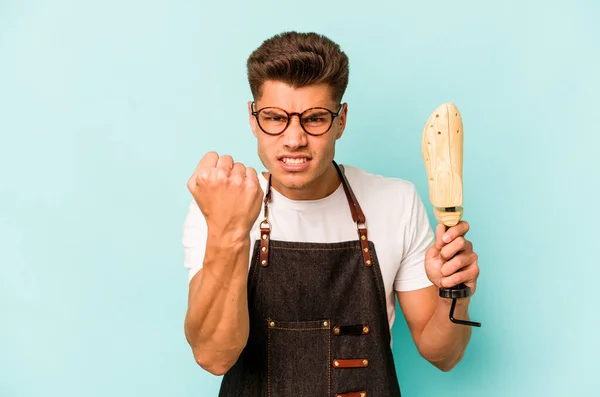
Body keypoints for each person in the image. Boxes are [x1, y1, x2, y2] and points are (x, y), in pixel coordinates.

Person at [181, 31, 480, 396]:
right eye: (275, 118)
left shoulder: (395, 201)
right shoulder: (222, 203)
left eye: (315, 118)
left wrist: (456, 292)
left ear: (341, 119)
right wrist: (229, 232)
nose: (294, 139)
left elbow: (443, 355)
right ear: (252, 117)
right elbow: (214, 356)